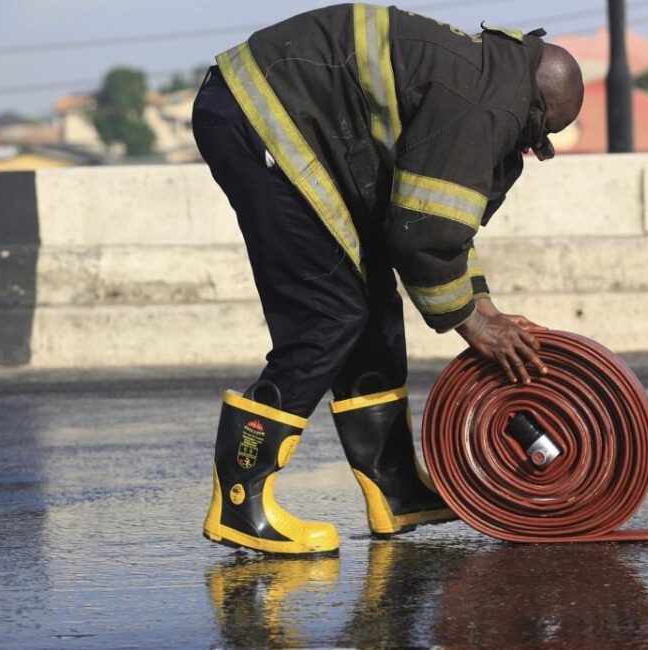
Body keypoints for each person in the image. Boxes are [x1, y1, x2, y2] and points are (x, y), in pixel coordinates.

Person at [192, 3, 584, 555]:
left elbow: (441, 224)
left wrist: (484, 307)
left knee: (374, 308)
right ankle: (239, 500)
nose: (534, 150)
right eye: (541, 134)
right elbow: (423, 234)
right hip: (258, 112)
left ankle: (395, 490)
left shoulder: (492, 83)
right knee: (328, 313)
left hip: (306, 123)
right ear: (534, 102)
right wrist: (474, 326)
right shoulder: (485, 104)